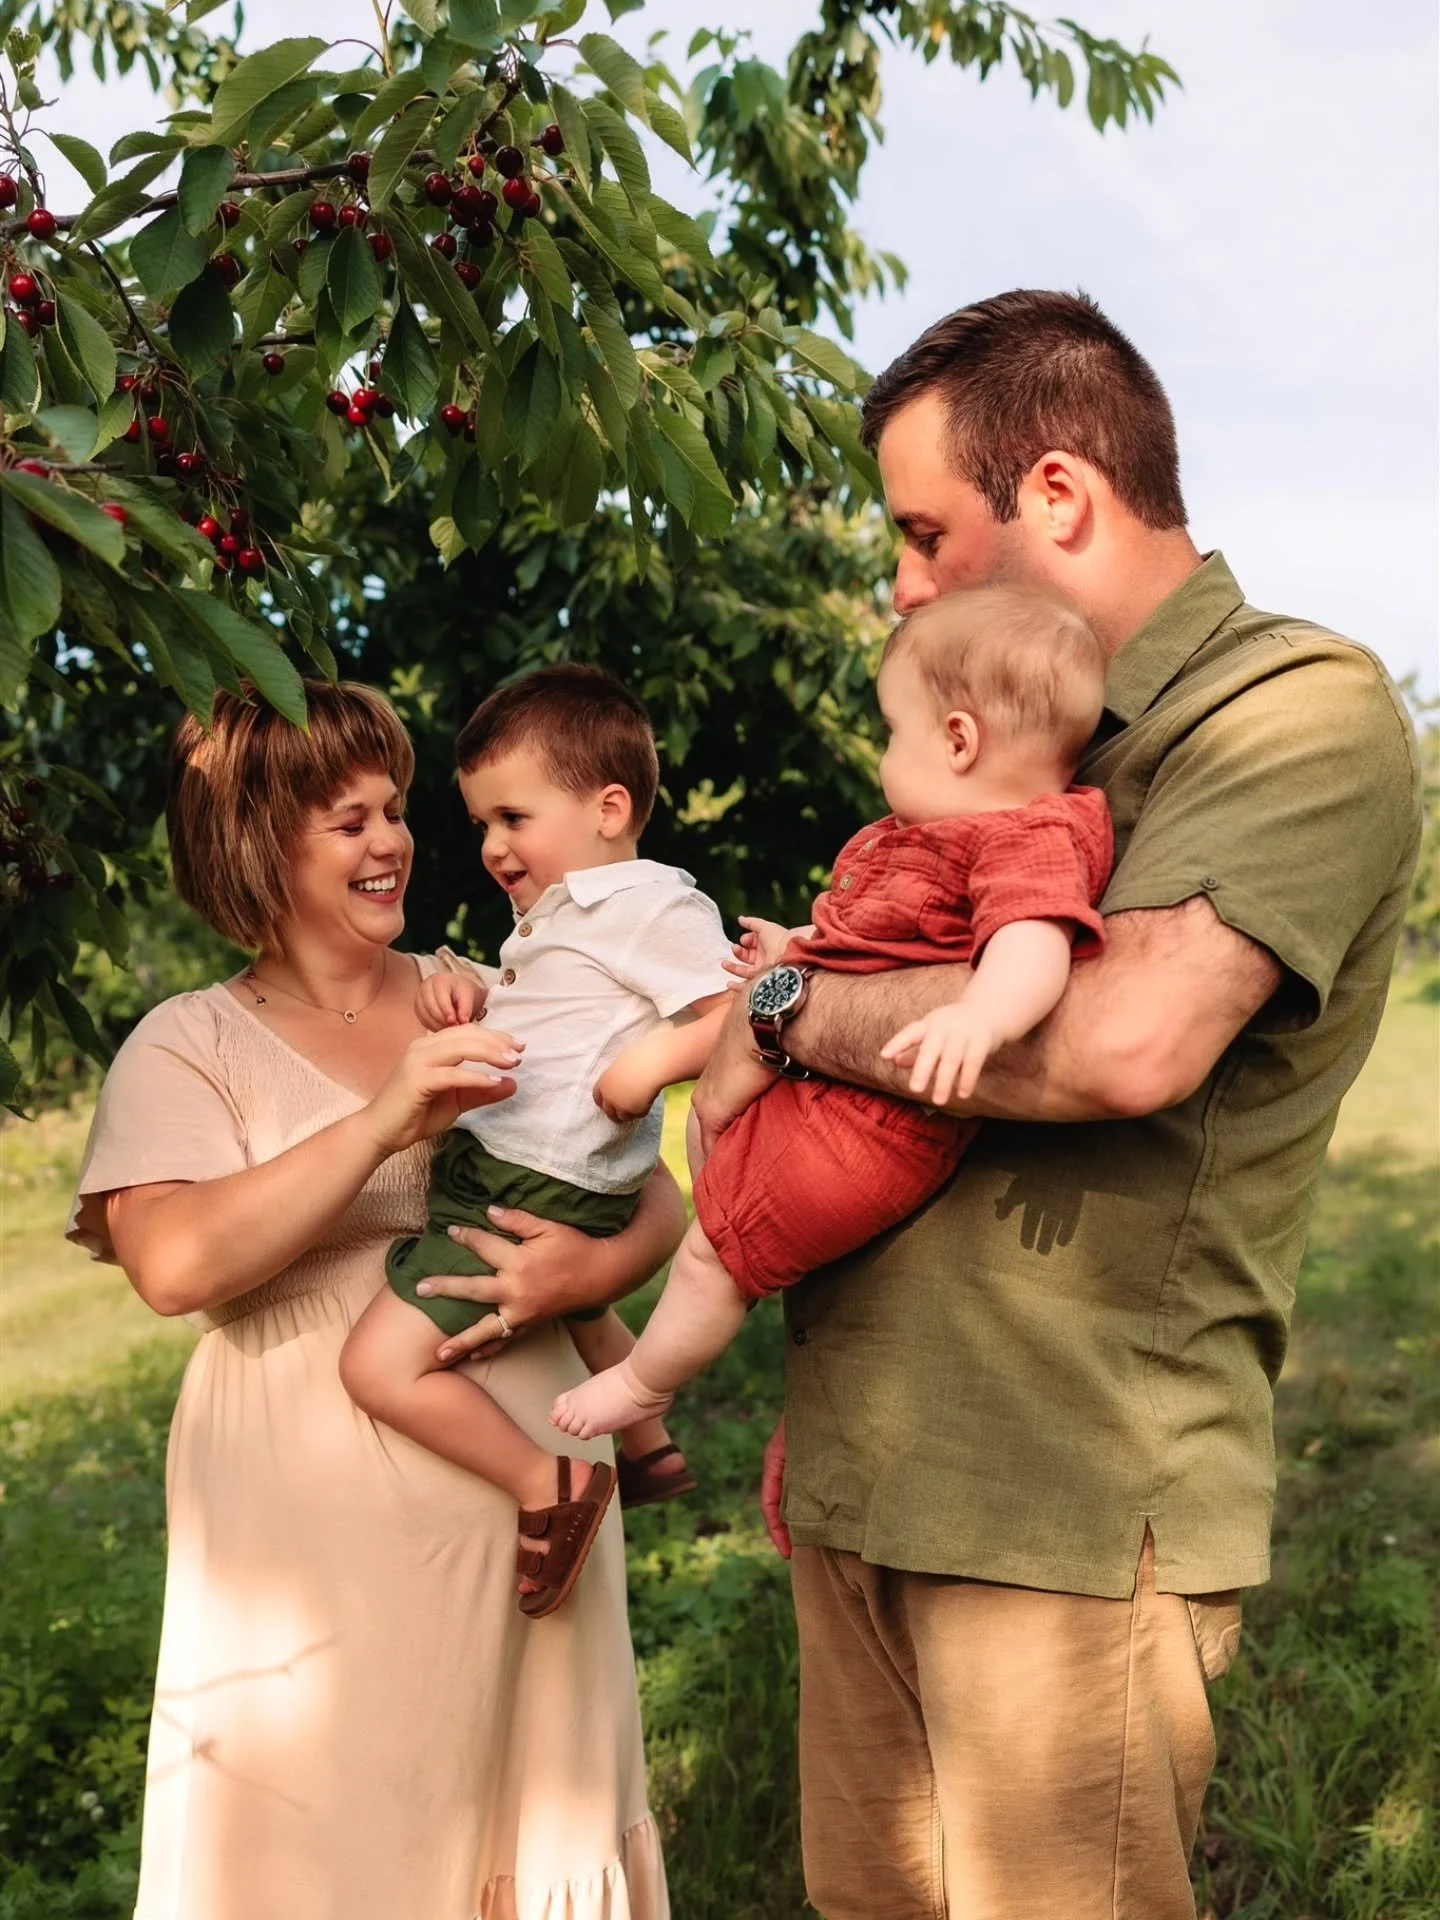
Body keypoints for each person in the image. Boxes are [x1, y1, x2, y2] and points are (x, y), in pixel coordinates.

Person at [691, 290, 1423, 1920]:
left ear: (1063, 497)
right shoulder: (994, 733)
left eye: (924, 531)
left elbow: (1120, 1041)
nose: (901, 582)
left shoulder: (1292, 708)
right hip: (865, 1480)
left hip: (1060, 1520)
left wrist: (786, 1010)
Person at [67, 683, 673, 1920]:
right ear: (257, 844)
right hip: (313, 1561)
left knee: (540, 1825)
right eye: (348, 821)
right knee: (335, 1853)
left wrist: (585, 1275)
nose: (391, 841)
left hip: (538, 1536)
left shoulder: (487, 986)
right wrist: (385, 1119)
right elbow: (175, 1264)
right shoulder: (188, 1044)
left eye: (393, 811)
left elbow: (648, 1191)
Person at [552, 586, 1112, 1440]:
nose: (887, 752)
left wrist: (983, 1018)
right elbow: (877, 939)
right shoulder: (931, 834)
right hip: (827, 1094)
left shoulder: (1020, 836)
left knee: (715, 1259)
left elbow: (1031, 942)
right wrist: (797, 948)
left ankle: (643, 1385)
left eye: (895, 729)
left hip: (877, 1127)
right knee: (721, 1184)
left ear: (959, 739)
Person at [338, 666, 733, 1616]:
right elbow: (563, 1013)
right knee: (567, 1298)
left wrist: (644, 1072)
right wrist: (468, 990)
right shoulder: (564, 916)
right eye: (481, 824)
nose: (492, 846)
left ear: (609, 808)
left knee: (375, 1367)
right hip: (531, 1163)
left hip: (539, 1171)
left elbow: (738, 1009)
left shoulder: (648, 905)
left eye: (513, 818)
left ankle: (547, 1484)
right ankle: (648, 1445)